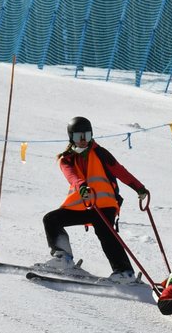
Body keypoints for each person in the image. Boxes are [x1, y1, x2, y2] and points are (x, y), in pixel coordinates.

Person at [41, 115, 148, 283]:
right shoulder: (66, 159)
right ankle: (63, 259)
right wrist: (82, 186)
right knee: (51, 219)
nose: (83, 140)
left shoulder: (100, 153)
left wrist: (138, 187)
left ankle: (124, 273)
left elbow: (119, 170)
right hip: (83, 206)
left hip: (105, 205)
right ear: (71, 137)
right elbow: (72, 176)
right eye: (78, 136)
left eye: (87, 136)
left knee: (105, 232)